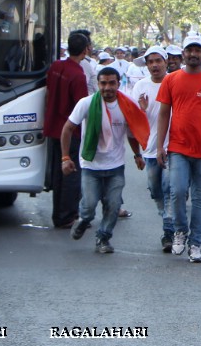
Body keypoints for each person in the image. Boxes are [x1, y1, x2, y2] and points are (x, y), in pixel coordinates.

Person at [156, 36, 201, 263]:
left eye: (198, 50)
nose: (193, 54)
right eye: (189, 50)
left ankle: (196, 243)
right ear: (183, 54)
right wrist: (160, 145)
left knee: (199, 198)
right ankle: (180, 231)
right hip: (178, 147)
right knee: (177, 191)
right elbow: (163, 113)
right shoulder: (171, 80)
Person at [63, 67, 149, 253]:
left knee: (114, 204)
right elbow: (68, 128)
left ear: (119, 84)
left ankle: (103, 238)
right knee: (89, 206)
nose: (107, 87)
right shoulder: (86, 103)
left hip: (115, 165)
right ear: (98, 84)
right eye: (103, 83)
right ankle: (83, 220)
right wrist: (65, 157)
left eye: (111, 83)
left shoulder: (127, 105)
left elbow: (132, 133)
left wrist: (137, 155)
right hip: (90, 165)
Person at [45, 32, 91, 228]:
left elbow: (48, 93)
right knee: (71, 173)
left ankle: (58, 214)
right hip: (70, 131)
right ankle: (67, 215)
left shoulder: (56, 67)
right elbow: (81, 108)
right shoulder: (78, 75)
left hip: (53, 127)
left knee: (58, 173)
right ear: (85, 50)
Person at [131, 46, 175, 251]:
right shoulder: (140, 86)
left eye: (158, 61)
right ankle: (166, 217)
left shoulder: (175, 82)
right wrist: (141, 110)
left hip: (173, 146)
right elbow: (132, 120)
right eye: (151, 62)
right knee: (155, 189)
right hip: (149, 149)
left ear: (166, 62)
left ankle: (169, 230)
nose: (155, 65)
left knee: (168, 189)